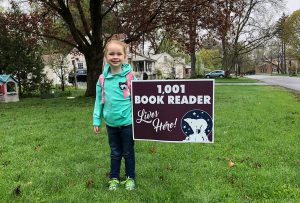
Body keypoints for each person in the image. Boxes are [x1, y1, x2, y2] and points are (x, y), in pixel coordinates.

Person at [93, 40, 136, 191]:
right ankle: (114, 178)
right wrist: (96, 120)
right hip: (111, 124)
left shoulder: (130, 77)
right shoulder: (102, 80)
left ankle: (130, 178)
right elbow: (99, 101)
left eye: (119, 53)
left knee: (128, 152)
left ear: (124, 56)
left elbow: (140, 99)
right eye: (111, 53)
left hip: (128, 123)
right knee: (115, 152)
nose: (115, 57)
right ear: (106, 56)